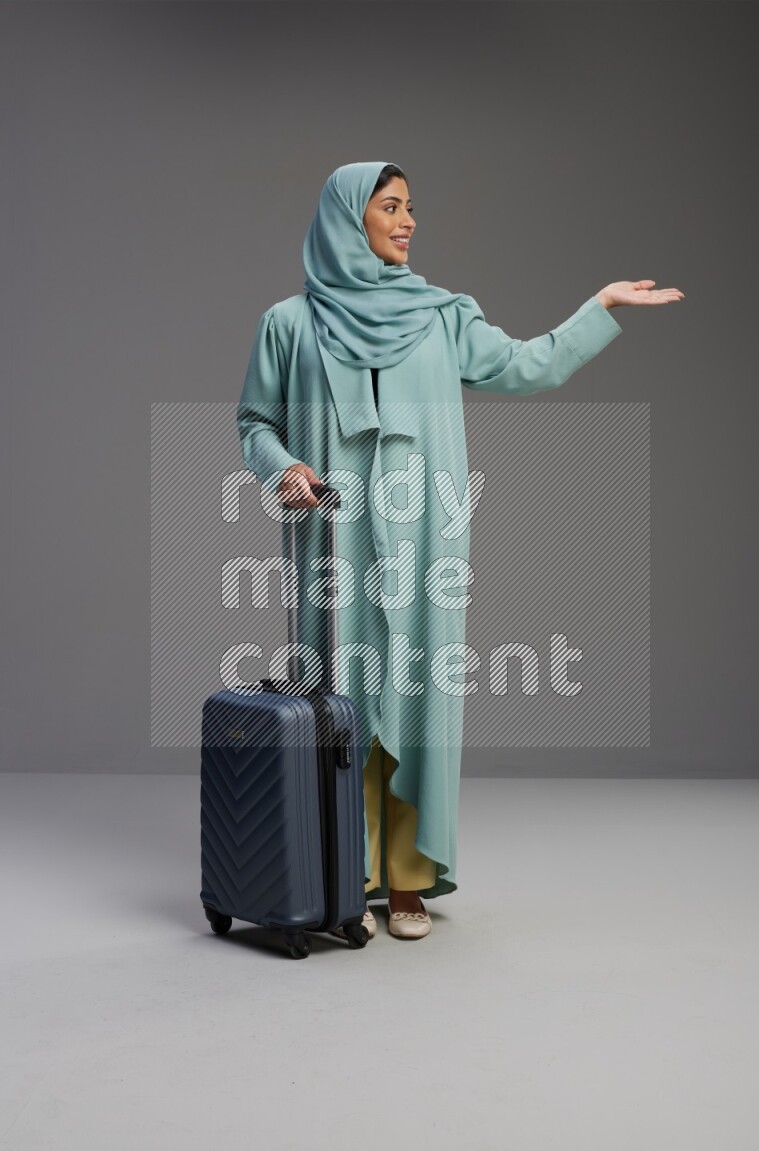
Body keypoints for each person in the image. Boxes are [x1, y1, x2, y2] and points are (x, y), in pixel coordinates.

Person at [237, 161, 684, 942]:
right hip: (330, 541)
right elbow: (254, 422)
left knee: (416, 704)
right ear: (349, 219)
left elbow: (522, 365)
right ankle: (346, 875)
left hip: (421, 542)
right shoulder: (288, 322)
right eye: (390, 207)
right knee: (337, 705)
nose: (408, 222)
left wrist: (599, 309)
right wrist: (285, 468)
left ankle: (406, 880)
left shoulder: (442, 316)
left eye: (412, 208)